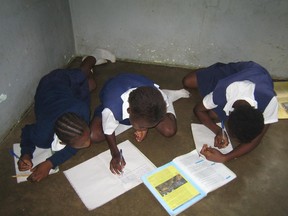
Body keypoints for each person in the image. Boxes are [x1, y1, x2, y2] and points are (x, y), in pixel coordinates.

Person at [90, 73, 189, 174]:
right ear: (129, 111)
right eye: (142, 126)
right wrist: (115, 153)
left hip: (142, 105)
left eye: (149, 126)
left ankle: (169, 96)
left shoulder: (158, 97)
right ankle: (122, 120)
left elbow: (152, 116)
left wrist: (143, 128)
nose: (145, 128)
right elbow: (108, 131)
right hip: (114, 94)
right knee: (95, 135)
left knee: (169, 130)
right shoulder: (112, 108)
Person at [18, 56, 97, 182]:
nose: (89, 143)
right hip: (54, 85)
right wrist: (26, 153)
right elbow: (27, 131)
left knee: (89, 81)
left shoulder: (82, 109)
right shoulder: (42, 136)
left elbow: (76, 141)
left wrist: (50, 163)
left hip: (63, 87)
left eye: (87, 138)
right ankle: (87, 66)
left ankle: (90, 60)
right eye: (82, 143)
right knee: (90, 82)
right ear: (63, 142)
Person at [182, 61, 278, 163]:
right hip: (232, 73)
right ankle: (213, 69)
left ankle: (215, 105)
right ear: (229, 116)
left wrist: (225, 157)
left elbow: (256, 139)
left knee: (212, 114)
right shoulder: (224, 89)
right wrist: (218, 130)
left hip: (256, 81)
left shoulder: (271, 101)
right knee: (187, 81)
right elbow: (198, 110)